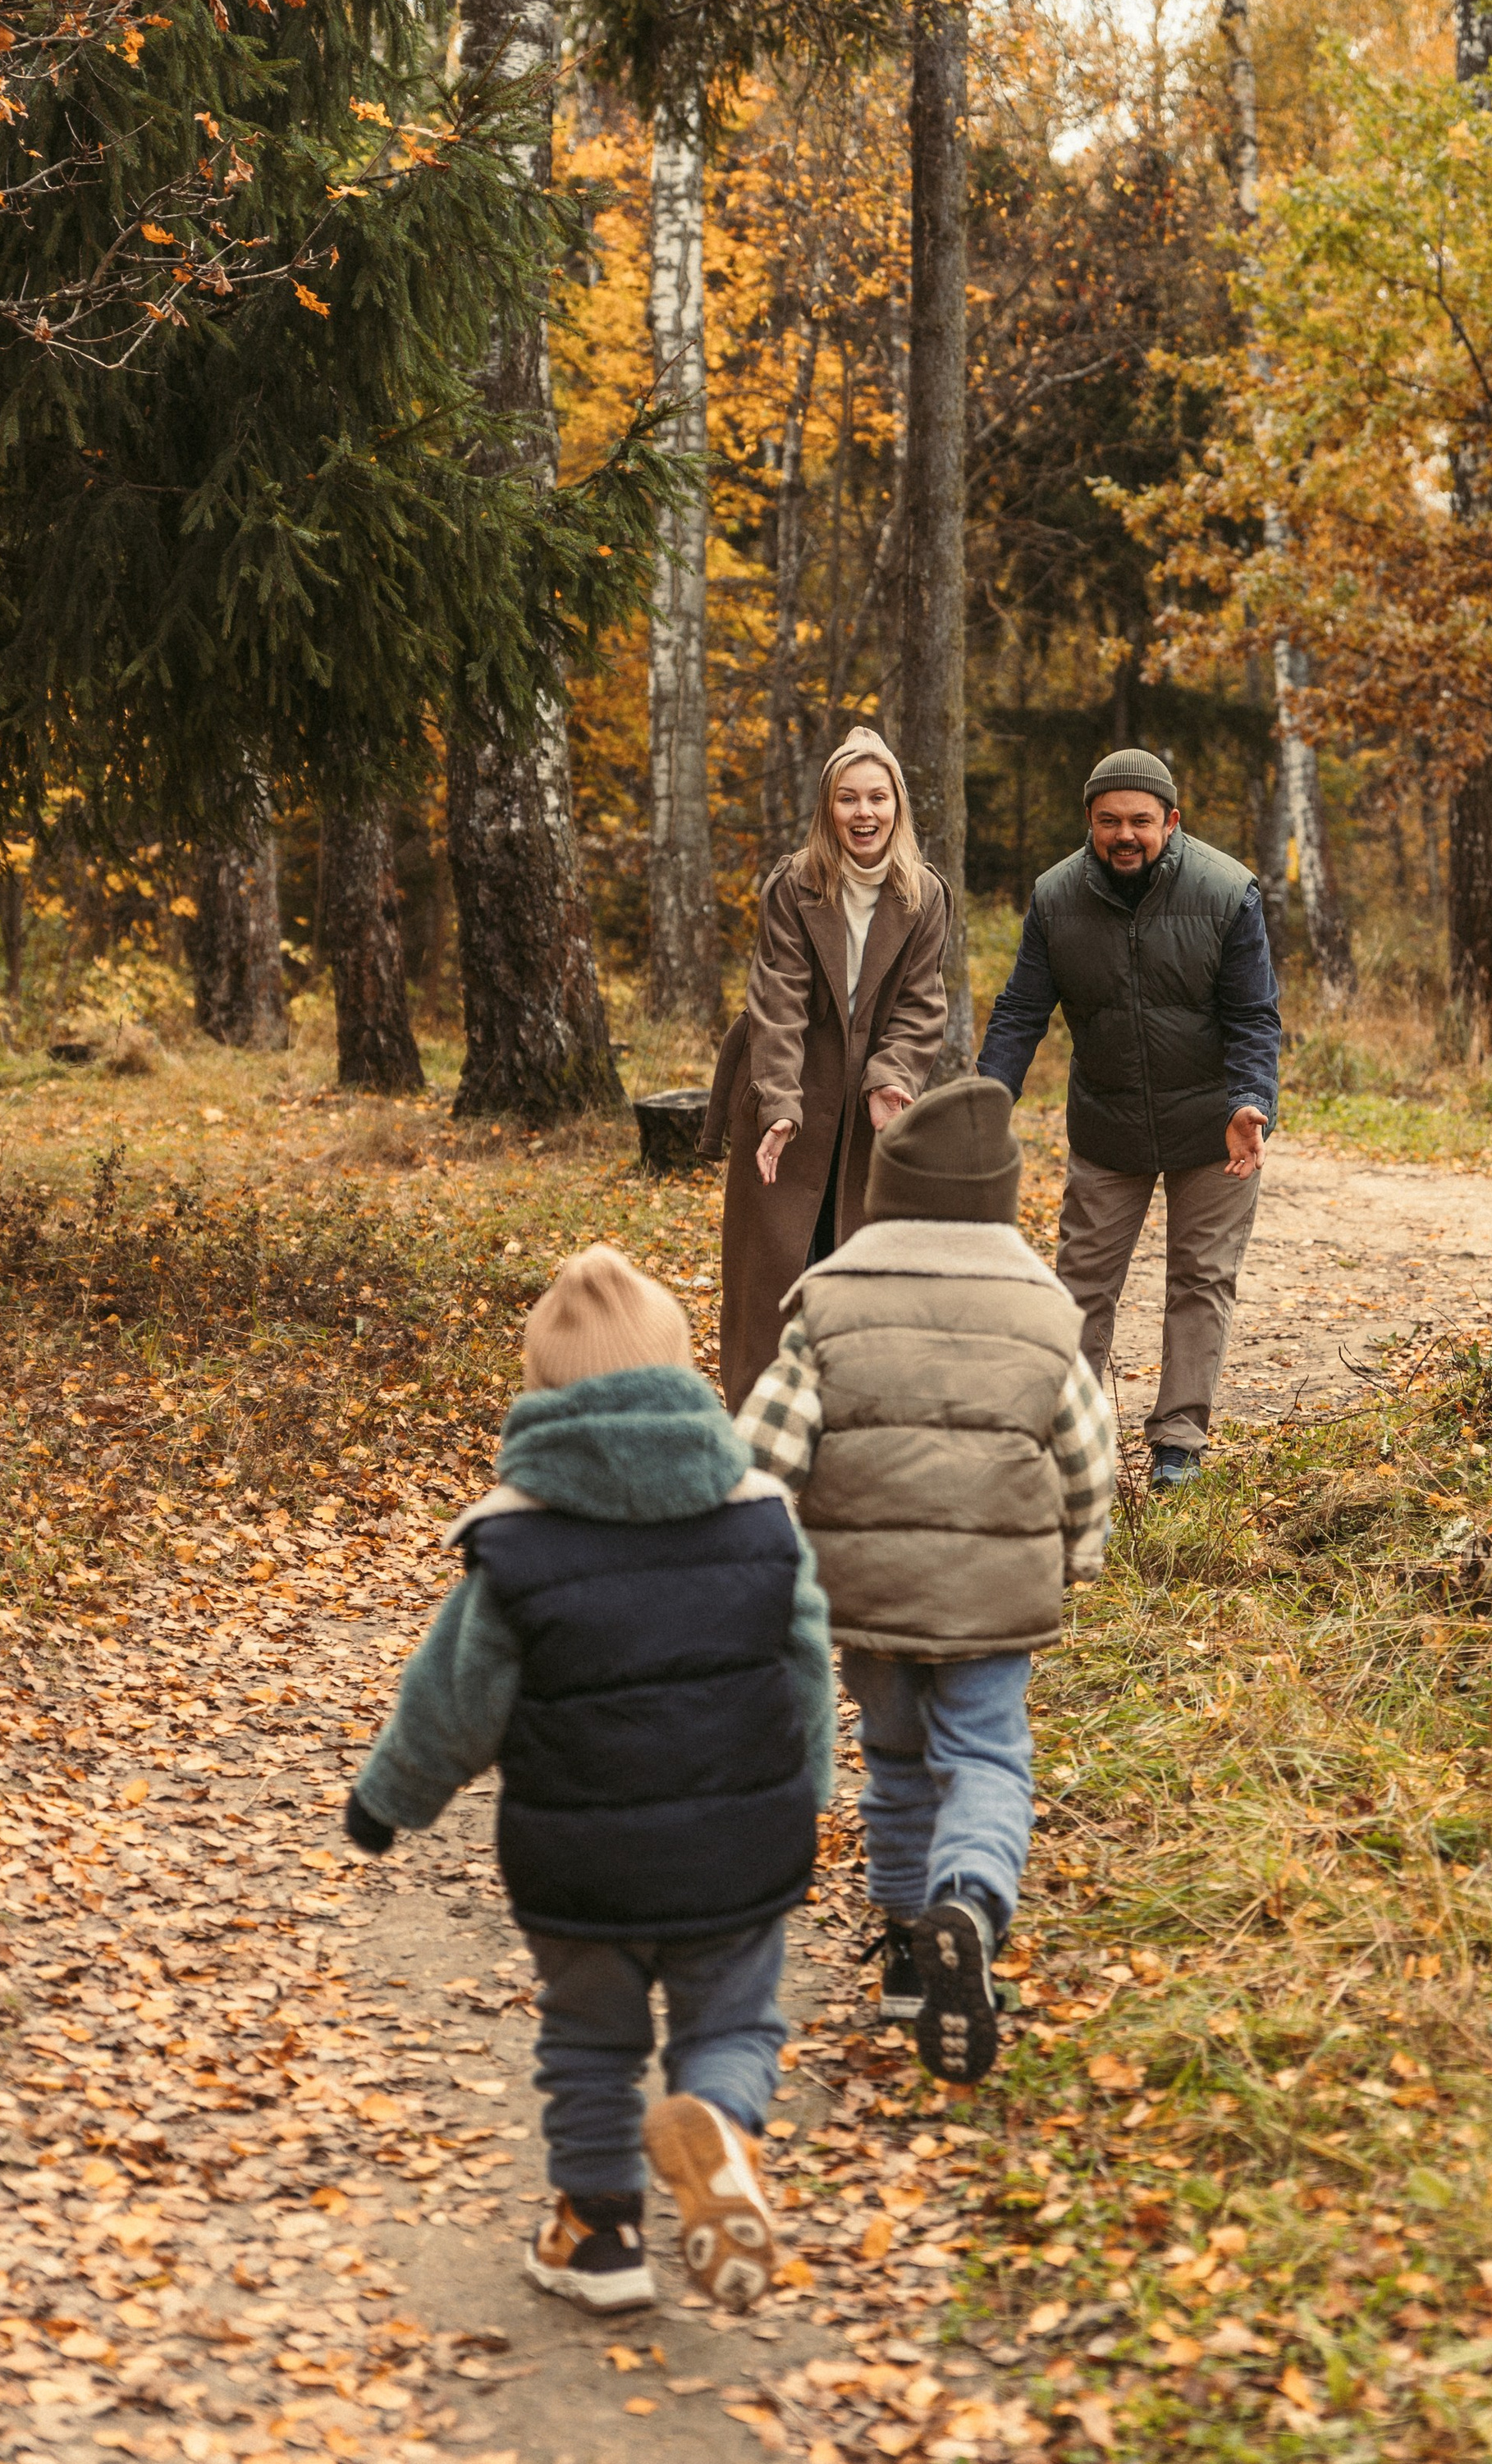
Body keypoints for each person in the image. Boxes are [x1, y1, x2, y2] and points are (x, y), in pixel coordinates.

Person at [341, 1245, 835, 2318]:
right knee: (735, 2023)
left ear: (541, 1396)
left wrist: (389, 1803)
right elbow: (805, 1661)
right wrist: (814, 1791)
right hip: (738, 1852)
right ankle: (719, 2131)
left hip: (584, 1868)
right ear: (686, 1377)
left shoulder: (517, 1543)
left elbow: (452, 1699)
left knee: (590, 2041)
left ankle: (599, 2235)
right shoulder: (759, 1515)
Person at [735, 1077, 1114, 2087]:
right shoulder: (1045, 1312)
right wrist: (1078, 1550)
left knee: (896, 1762)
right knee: (986, 1755)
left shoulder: (832, 1301)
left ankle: (908, 1950)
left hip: (868, 1593)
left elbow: (766, 1444)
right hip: (994, 1599)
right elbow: (1087, 1451)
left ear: (888, 1196)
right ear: (1000, 1199)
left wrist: (748, 1563)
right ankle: (971, 1903)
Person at [976, 747, 1281, 1491]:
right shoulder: (1055, 898)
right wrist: (984, 1102)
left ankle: (1179, 1444)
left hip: (1214, 1127)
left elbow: (1253, 1016)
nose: (1125, 835)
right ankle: (1070, 1442)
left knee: (1201, 1281)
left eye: (1141, 821)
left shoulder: (1227, 891)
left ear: (1170, 822)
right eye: (1109, 820)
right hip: (1107, 1125)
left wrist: (1251, 1101)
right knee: (1081, 1284)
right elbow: (1021, 1010)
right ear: (1089, 822)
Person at [703, 729, 950, 1409]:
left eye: (877, 797)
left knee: (857, 1256)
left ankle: (849, 1412)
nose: (863, 813)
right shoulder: (795, 884)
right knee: (774, 1264)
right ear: (827, 808)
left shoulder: (923, 895)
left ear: (897, 806)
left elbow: (922, 1002)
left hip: (871, 1104)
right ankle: (759, 1416)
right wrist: (778, 1101)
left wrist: (894, 1075)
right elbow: (775, 998)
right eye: (848, 799)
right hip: (792, 1086)